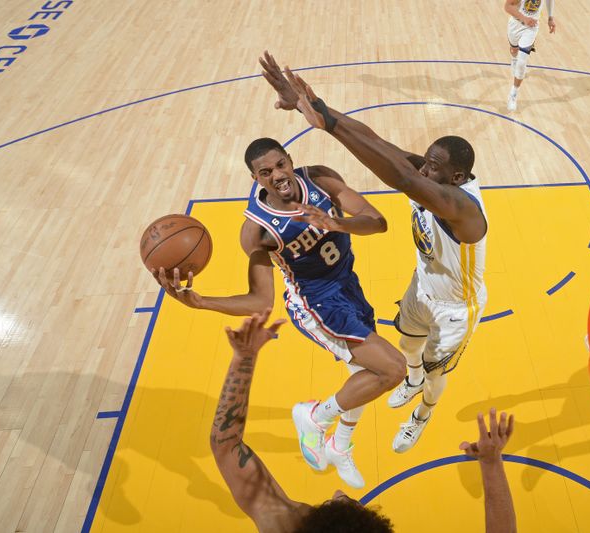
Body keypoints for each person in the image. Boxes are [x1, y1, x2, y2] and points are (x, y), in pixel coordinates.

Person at [260, 52, 488, 454]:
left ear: (456, 178)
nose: (423, 170)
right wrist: (317, 109)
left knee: (436, 373)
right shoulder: (434, 175)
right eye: (426, 162)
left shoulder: (462, 208)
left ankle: (422, 414)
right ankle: (412, 380)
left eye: (432, 168)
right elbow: (381, 145)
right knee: (407, 346)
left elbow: (401, 176)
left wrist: (329, 127)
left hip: (456, 305)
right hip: (424, 285)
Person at [151, 135, 406, 489]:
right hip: (317, 303)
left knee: (363, 375)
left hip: (348, 285)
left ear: (290, 160)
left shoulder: (320, 179)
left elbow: (377, 221)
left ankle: (339, 445)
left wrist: (339, 223)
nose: (278, 175)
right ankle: (314, 417)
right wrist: (201, 301)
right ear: (256, 179)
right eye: (266, 172)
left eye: (280, 165)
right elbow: (261, 301)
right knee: (392, 368)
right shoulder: (257, 230)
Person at [211, 311, 518, 533]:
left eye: (336, 504)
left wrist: (244, 358)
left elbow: (226, 445)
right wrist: (491, 464)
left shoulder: (286, 523)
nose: (339, 493)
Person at [505, 0, 557, 111]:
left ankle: (513, 93)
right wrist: (524, 18)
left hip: (531, 28)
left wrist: (550, 18)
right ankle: (514, 59)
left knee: (522, 62)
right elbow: (507, 7)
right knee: (514, 51)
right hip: (516, 24)